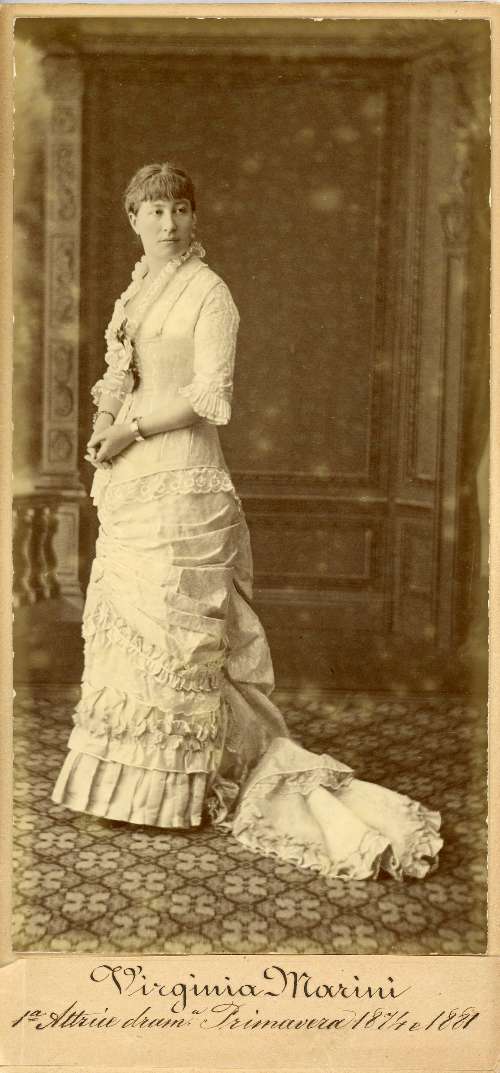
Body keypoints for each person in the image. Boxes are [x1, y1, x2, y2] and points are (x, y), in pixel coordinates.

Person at [52, 162, 443, 880]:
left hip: (185, 477)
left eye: (179, 209)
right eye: (154, 211)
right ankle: (124, 789)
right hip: (131, 482)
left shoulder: (211, 293)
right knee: (130, 631)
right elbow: (119, 371)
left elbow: (209, 395)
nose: (168, 223)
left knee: (180, 635)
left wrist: (131, 429)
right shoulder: (135, 292)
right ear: (133, 219)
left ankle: (178, 794)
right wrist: (104, 425)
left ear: (194, 217)